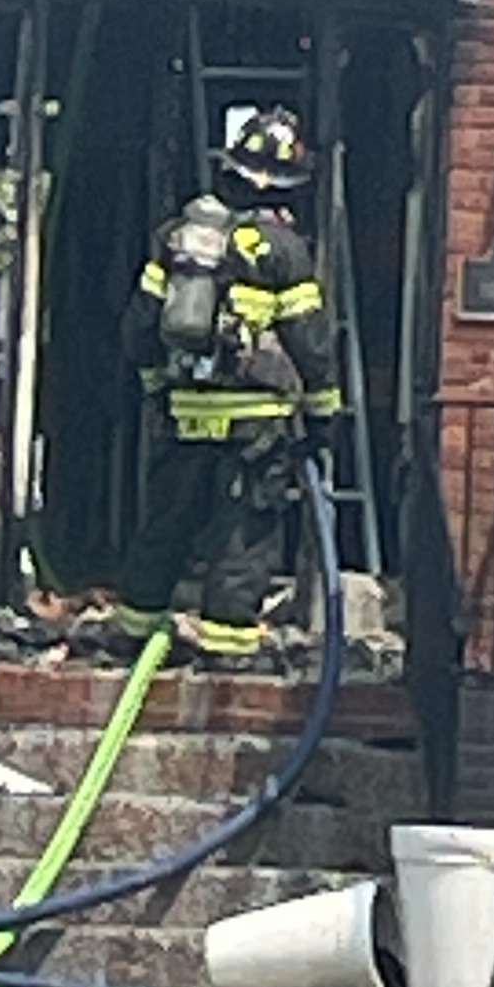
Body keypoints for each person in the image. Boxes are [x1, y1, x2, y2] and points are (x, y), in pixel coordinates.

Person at [115, 108, 343, 659]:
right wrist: (323, 415)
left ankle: (135, 630)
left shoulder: (177, 239)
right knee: (243, 535)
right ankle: (229, 647)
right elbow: (310, 343)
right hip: (255, 426)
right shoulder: (283, 250)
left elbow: (139, 329)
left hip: (187, 414)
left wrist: (157, 389)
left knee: (167, 524)